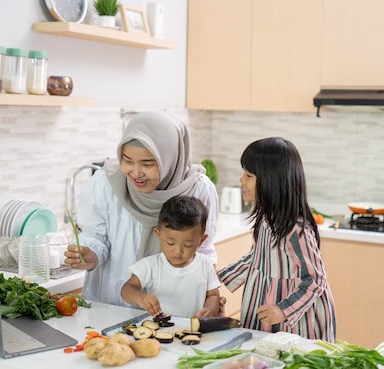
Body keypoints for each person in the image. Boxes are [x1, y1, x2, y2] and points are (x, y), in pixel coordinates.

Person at [64, 111, 219, 306]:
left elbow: (202, 249)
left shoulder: (199, 188)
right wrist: (90, 255)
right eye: (128, 161)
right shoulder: (104, 184)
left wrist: (211, 300)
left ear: (169, 159)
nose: (136, 173)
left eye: (148, 163)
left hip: (175, 309)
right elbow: (95, 238)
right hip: (111, 305)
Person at [218, 137, 336, 342]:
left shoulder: (296, 231)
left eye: (248, 175)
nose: (241, 180)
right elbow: (256, 258)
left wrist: (283, 310)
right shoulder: (266, 218)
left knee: (291, 360)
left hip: (295, 319)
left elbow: (316, 279)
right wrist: (218, 278)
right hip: (266, 304)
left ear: (271, 181)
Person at [121, 195, 221, 318]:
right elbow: (127, 289)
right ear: (158, 234)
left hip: (192, 332)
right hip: (158, 332)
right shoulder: (151, 265)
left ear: (201, 240)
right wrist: (140, 298)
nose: (178, 251)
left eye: (188, 245)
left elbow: (213, 295)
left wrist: (210, 310)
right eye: (171, 243)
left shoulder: (205, 264)